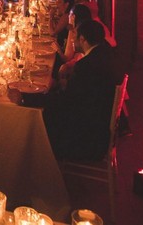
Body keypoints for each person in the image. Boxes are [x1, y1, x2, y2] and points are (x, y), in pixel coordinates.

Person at [43, 20, 118, 161]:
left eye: (75, 36)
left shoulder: (85, 66)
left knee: (43, 116)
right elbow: (82, 91)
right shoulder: (104, 52)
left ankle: (45, 164)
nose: (72, 39)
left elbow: (67, 101)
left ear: (82, 39)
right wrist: (64, 84)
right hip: (99, 124)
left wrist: (32, 97)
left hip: (87, 138)